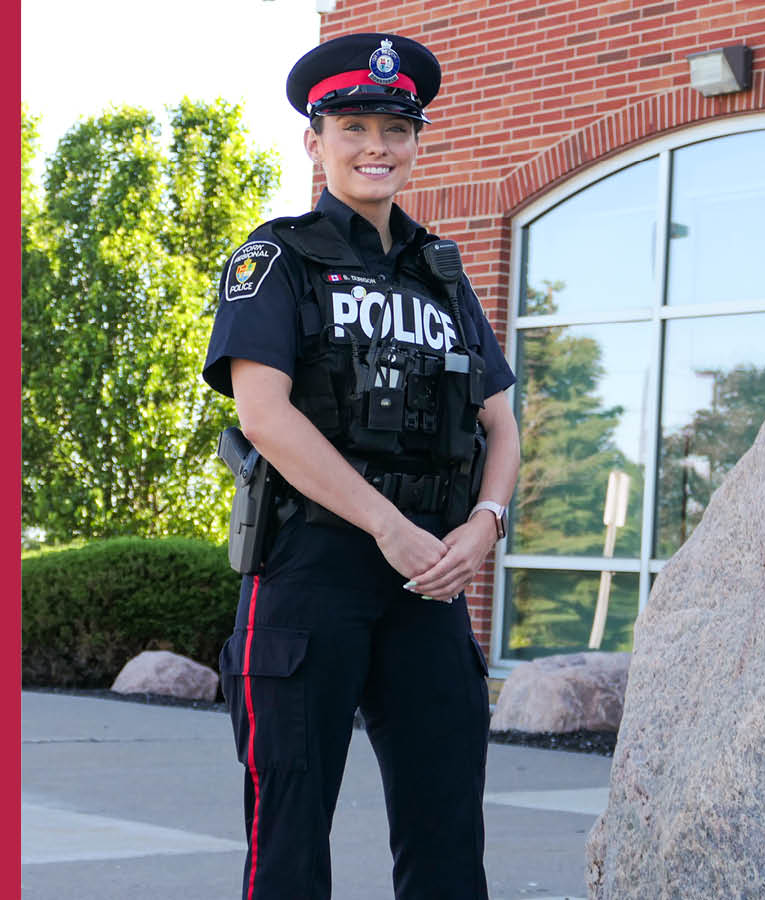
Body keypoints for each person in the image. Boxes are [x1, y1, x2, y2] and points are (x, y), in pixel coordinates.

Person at [201, 31, 522, 900]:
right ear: (316, 141)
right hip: (314, 570)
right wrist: (388, 526)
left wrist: (482, 527)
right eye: (353, 127)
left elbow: (502, 423)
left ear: (417, 143)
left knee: (448, 830)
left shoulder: (443, 275)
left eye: (395, 130)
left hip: (430, 582)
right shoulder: (277, 260)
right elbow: (264, 416)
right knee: (292, 834)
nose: (375, 147)